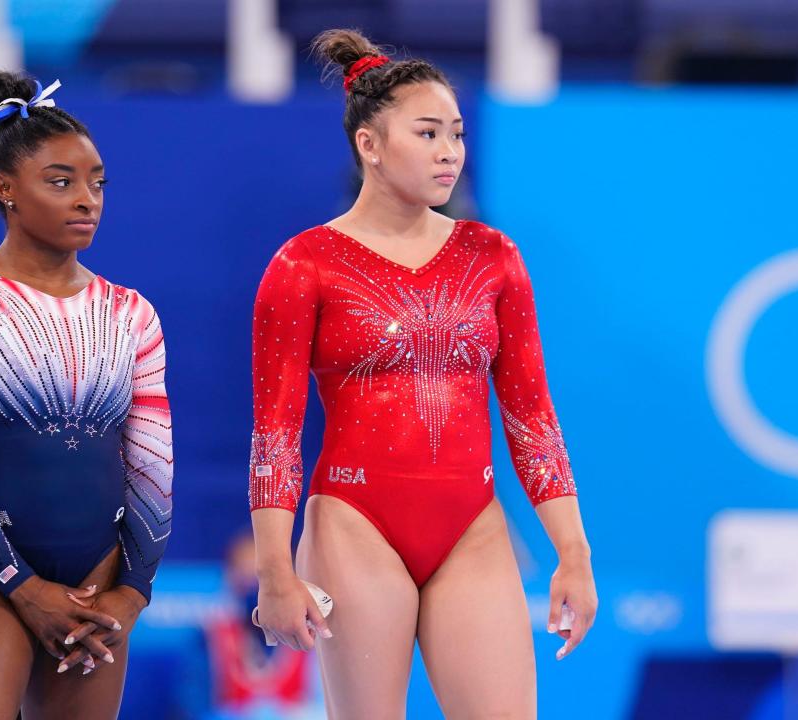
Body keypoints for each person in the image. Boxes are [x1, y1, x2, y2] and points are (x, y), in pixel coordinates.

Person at [248, 30, 597, 719]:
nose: (449, 152)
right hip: (355, 523)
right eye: (428, 132)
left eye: (457, 135)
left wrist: (573, 554)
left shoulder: (492, 256)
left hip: (471, 522)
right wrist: (275, 572)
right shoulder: (304, 264)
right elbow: (275, 434)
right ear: (369, 145)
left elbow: (532, 420)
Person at [0, 71, 173, 719]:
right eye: (61, 182)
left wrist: (130, 593)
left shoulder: (131, 314)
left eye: (97, 182)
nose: (87, 199)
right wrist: (21, 587)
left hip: (98, 584)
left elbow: (153, 471)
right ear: (7, 191)